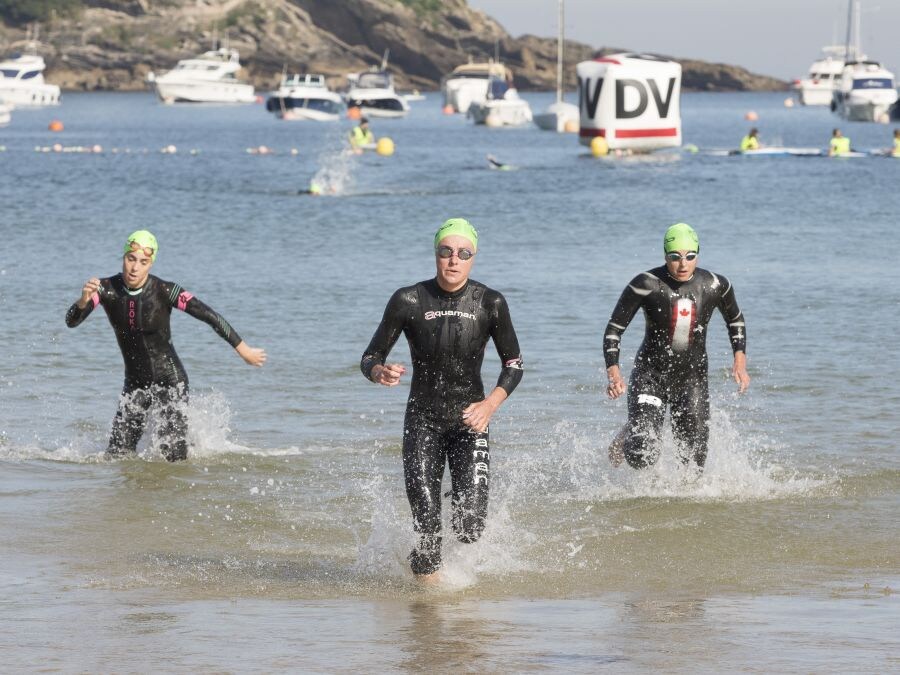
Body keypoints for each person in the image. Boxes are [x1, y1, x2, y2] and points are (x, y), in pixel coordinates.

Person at [360, 218, 524, 580]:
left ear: (473, 257)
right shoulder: (408, 299)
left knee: (470, 527)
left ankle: (448, 523)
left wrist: (489, 405)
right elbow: (370, 356)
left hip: (471, 420)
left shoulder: (490, 302)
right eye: (446, 251)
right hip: (423, 420)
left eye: (463, 253)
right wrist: (378, 372)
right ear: (436, 254)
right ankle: (427, 607)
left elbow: (514, 364)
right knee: (428, 528)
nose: (453, 260)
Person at [65, 230, 266, 461]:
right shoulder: (104, 289)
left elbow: (208, 315)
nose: (134, 268)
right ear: (123, 257)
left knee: (174, 458)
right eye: (131, 259)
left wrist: (244, 350)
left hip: (170, 380)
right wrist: (82, 301)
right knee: (116, 456)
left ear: (151, 263)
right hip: (135, 384)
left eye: (143, 262)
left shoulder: (166, 291)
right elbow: (71, 322)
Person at [604, 223, 750, 470]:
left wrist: (740, 360)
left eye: (690, 257)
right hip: (651, 376)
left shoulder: (716, 285)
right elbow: (613, 331)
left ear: (697, 254)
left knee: (694, 464)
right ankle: (631, 430)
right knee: (642, 454)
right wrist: (614, 375)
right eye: (675, 257)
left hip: (692, 379)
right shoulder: (646, 284)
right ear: (665, 255)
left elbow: (735, 320)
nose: (683, 264)